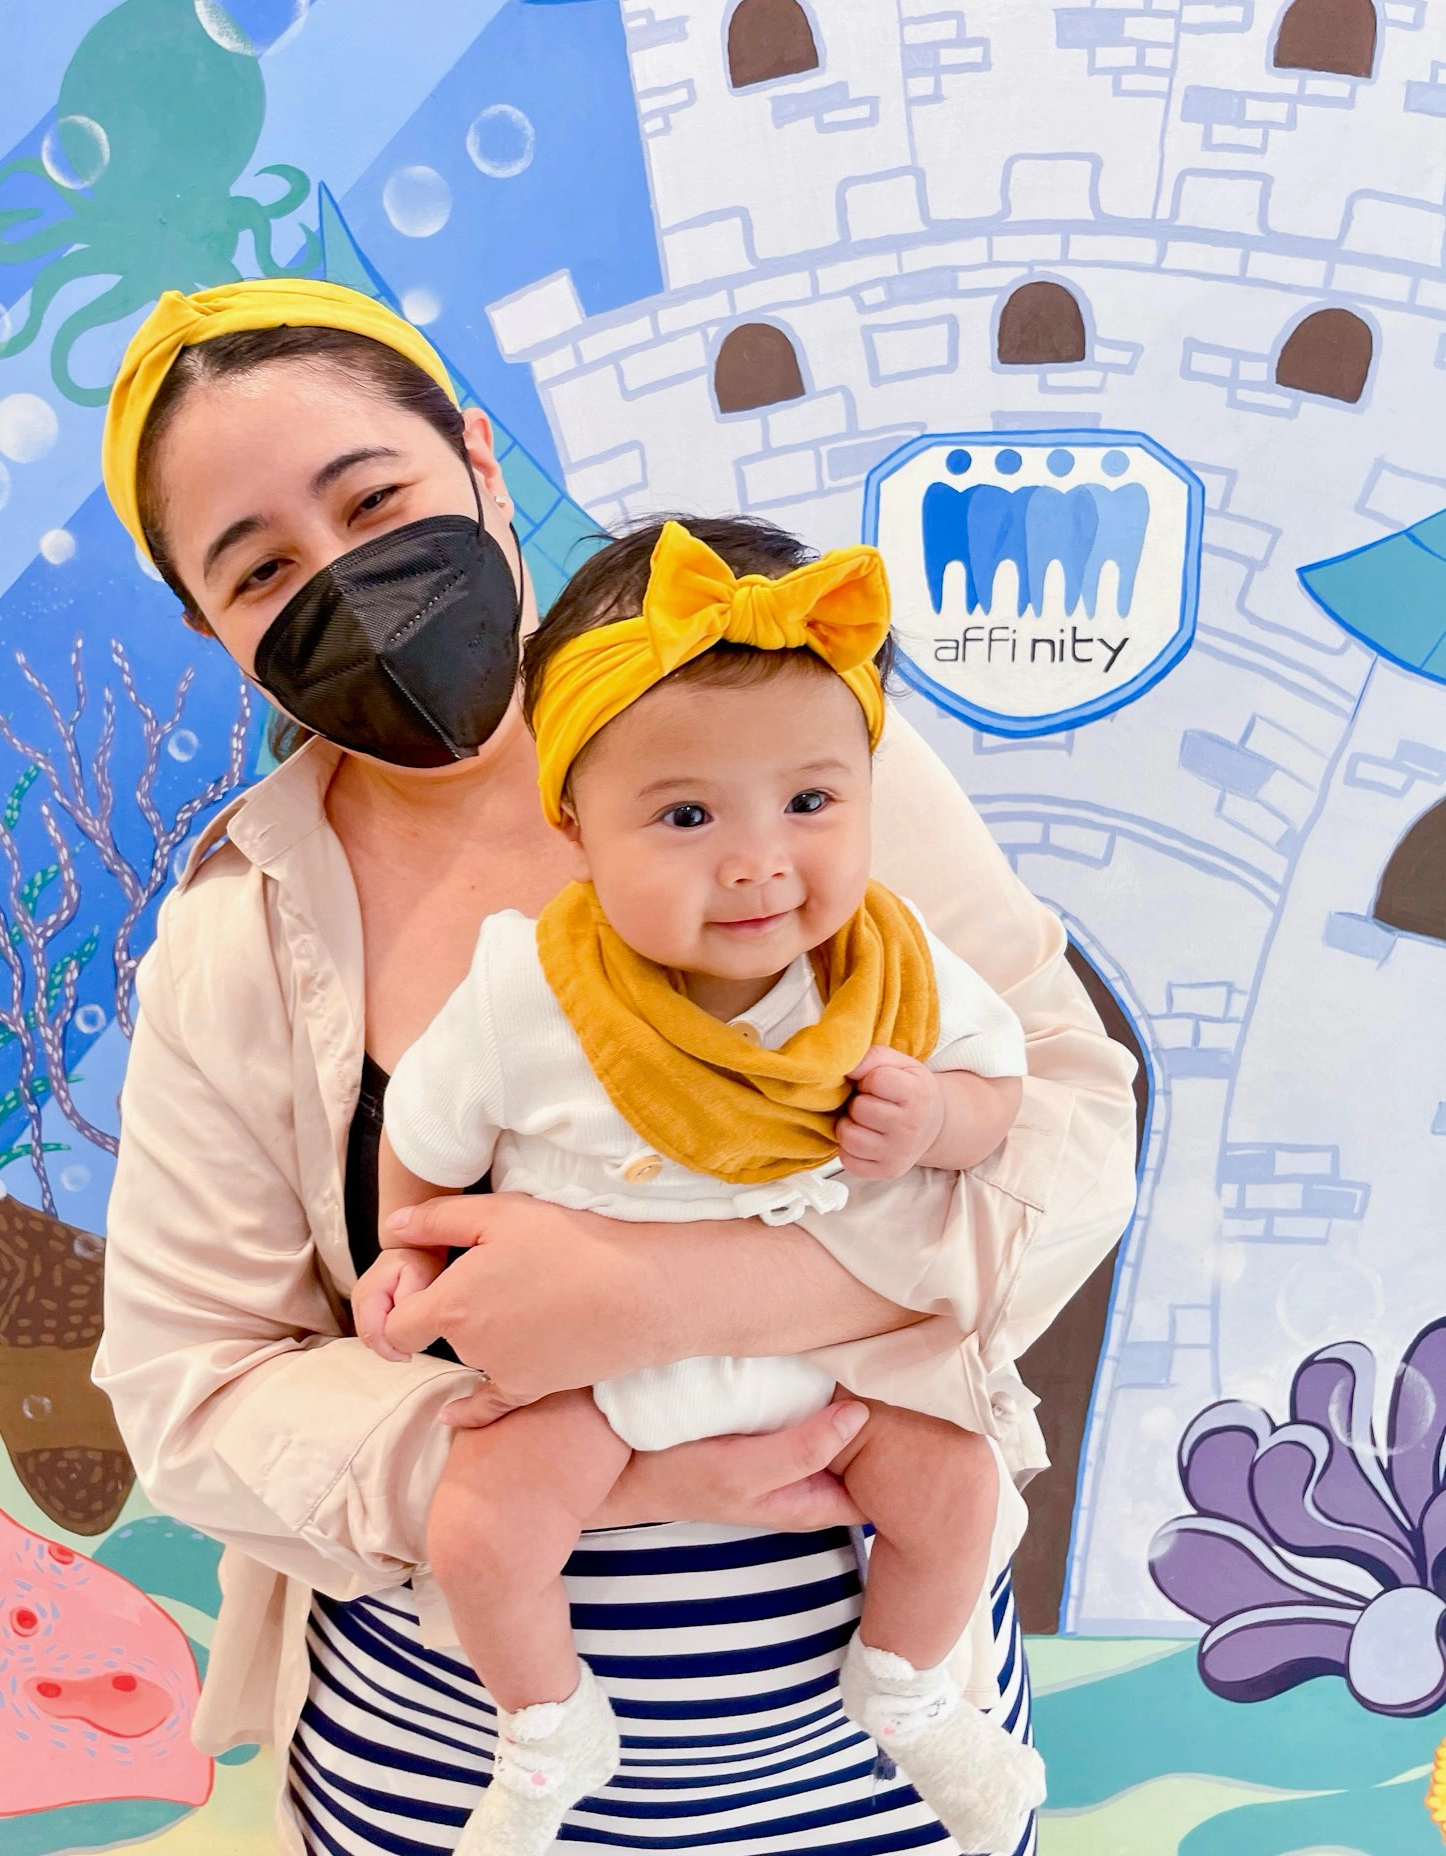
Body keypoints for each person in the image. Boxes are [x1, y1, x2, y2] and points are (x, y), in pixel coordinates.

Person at [93, 277, 1139, 1856]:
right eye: (260, 570)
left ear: (481, 461)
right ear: (207, 623)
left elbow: (1067, 1123)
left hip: (878, 1784)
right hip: (444, 1780)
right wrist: (555, 1470)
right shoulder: (239, 937)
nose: (350, 584)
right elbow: (195, 1390)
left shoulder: (789, 754)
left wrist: (668, 1305)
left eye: (376, 499)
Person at [358, 515, 1046, 1856]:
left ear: (867, 788)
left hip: (841, 1375)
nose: (757, 860)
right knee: (483, 1527)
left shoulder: (893, 975)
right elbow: (426, 1149)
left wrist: (940, 1119)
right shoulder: (525, 992)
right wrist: (407, 1260)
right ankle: (549, 1730)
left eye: (809, 800)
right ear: (574, 822)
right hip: (596, 1384)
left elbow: (1011, 1103)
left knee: (959, 1484)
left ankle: (908, 1690)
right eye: (684, 814)